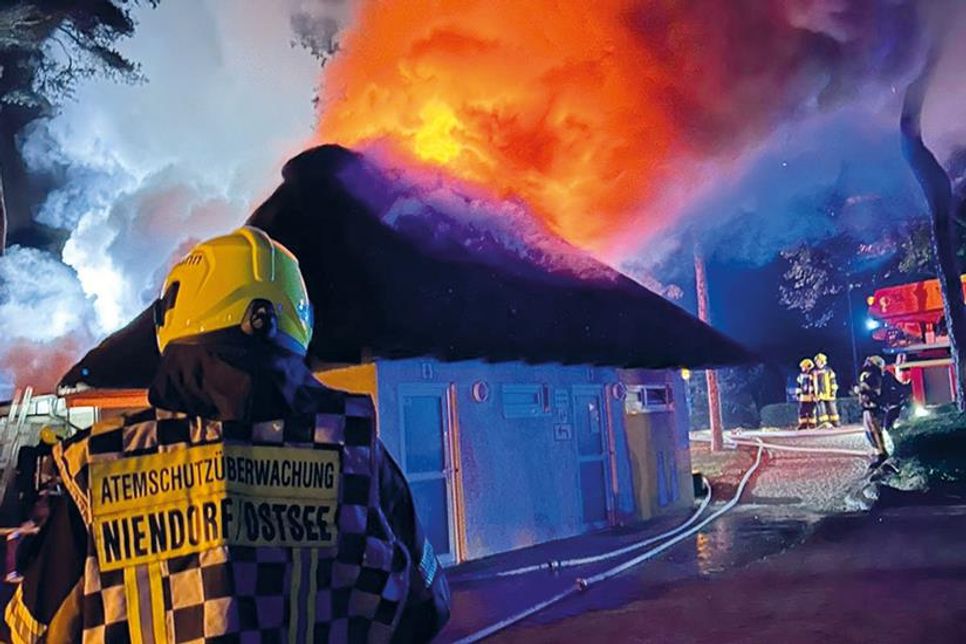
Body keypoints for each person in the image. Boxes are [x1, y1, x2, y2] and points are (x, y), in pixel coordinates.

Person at [5, 227, 450, 643]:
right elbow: (429, 602)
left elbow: (28, 628)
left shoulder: (100, 460)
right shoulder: (354, 449)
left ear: (174, 317)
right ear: (298, 321)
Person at [857, 355, 888, 464]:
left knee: (874, 430)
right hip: (867, 406)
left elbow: (876, 391)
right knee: (869, 430)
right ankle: (878, 451)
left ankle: (882, 452)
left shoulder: (875, 376)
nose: (867, 363)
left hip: (873, 406)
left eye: (870, 362)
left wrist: (864, 390)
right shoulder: (868, 375)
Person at [812, 352, 840, 428]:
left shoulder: (829, 371)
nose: (817, 362)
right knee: (822, 411)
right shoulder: (814, 372)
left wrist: (833, 392)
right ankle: (825, 424)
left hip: (829, 394)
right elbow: (812, 384)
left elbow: (833, 382)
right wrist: (814, 394)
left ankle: (835, 423)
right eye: (816, 361)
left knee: (832, 409)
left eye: (819, 361)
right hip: (819, 395)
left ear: (822, 361)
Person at [794, 358, 817, 429]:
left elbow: (816, 385)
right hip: (803, 396)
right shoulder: (800, 376)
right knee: (802, 411)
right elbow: (798, 385)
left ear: (808, 367)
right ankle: (803, 424)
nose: (802, 368)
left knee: (811, 411)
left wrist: (815, 394)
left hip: (811, 396)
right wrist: (798, 394)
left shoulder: (813, 375)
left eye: (803, 367)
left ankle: (812, 424)